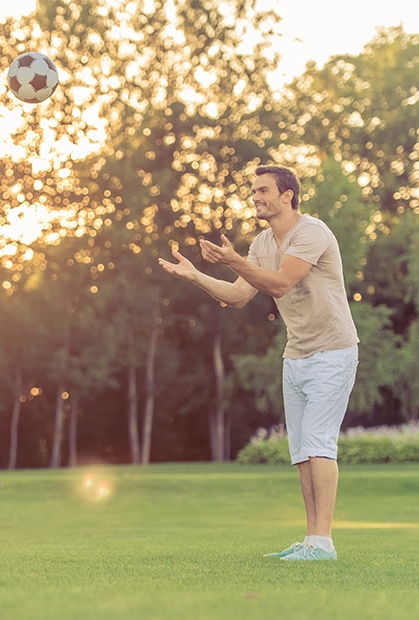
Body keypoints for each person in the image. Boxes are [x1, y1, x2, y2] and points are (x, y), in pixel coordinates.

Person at [159, 164, 359, 561]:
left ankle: (323, 543)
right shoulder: (263, 244)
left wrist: (233, 259)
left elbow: (281, 283)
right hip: (296, 356)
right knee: (302, 451)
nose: (256, 197)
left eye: (264, 190)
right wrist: (196, 276)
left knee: (319, 444)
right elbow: (236, 297)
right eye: (254, 191)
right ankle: (310, 541)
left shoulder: (311, 232)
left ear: (288, 195)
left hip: (333, 352)